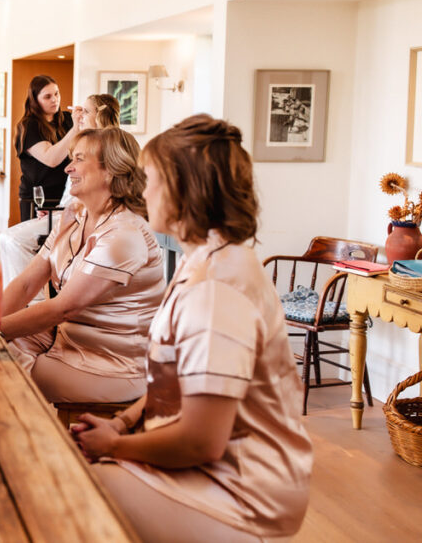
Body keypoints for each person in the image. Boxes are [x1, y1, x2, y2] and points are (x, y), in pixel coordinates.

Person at [72, 115, 313, 542]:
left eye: (151, 179)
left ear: (184, 189)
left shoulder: (217, 287)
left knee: (70, 493)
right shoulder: (205, 259)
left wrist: (114, 447)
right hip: (219, 472)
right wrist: (123, 424)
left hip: (242, 492)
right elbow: (178, 381)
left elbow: (202, 441)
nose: (143, 190)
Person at [1, 127, 165, 404]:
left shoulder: (124, 234)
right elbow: (28, 282)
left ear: (111, 170)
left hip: (112, 364)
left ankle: (33, 446)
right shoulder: (75, 215)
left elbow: (63, 307)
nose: (68, 168)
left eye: (78, 159)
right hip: (67, 340)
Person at [0, 94, 120, 297]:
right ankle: (17, 298)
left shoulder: (103, 147)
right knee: (6, 238)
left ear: (99, 115)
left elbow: (95, 193)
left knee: (13, 239)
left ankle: (30, 302)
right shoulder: (85, 142)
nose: (79, 115)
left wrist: (62, 212)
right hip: (64, 211)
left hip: (79, 217)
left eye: (85, 111)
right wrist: (56, 209)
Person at [13, 75, 82, 222]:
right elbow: (51, 159)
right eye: (47, 96)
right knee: (37, 242)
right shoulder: (28, 126)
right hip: (38, 199)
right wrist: (75, 129)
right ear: (35, 100)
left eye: (56, 94)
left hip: (65, 194)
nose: (54, 99)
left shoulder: (67, 119)